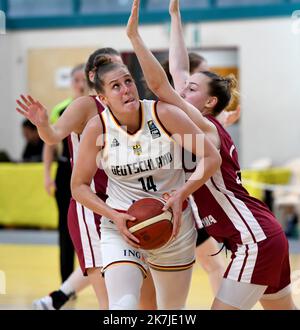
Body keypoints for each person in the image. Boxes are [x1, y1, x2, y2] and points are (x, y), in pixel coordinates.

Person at [126, 0, 297, 310]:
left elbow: (159, 83)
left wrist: (135, 39)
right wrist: (175, 17)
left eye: (190, 89)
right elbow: (178, 70)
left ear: (208, 103)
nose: (182, 91)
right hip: (259, 234)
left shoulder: (204, 127)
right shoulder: (199, 122)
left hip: (253, 239)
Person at [70, 56, 221, 310]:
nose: (126, 89)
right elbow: (79, 186)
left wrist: (182, 193)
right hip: (121, 227)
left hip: (173, 226)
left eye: (128, 81)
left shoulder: (164, 114)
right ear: (103, 99)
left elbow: (210, 157)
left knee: (171, 311)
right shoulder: (98, 128)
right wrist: (113, 215)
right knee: (124, 305)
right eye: (115, 86)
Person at [16, 48, 157, 310]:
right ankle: (57, 297)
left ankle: (57, 296)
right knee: (111, 302)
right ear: (95, 76)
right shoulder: (85, 105)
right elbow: (54, 135)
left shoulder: (132, 107)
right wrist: (43, 124)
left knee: (145, 299)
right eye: (110, 71)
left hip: (124, 203)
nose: (121, 80)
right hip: (91, 207)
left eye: (124, 75)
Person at [44, 63, 87, 286]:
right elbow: (49, 144)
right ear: (71, 83)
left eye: (83, 80)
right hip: (65, 171)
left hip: (91, 170)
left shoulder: (97, 107)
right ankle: (66, 283)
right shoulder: (60, 109)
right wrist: (46, 175)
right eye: (76, 80)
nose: (80, 85)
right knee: (65, 227)